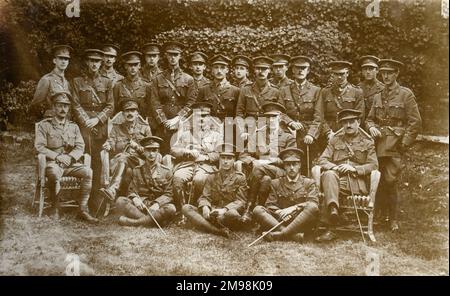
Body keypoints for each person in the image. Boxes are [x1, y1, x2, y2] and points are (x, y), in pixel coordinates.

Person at [366, 59, 422, 231]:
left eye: (390, 72)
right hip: (378, 145)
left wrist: (404, 144)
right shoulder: (378, 95)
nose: (386, 76)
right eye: (383, 73)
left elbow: (415, 122)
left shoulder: (405, 94)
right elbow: (369, 119)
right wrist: (372, 127)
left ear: (397, 73)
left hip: (395, 146)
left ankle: (393, 218)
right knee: (377, 180)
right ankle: (380, 216)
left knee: (391, 180)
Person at [34, 91, 98, 223]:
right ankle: (55, 207)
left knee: (88, 172)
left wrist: (70, 157)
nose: (63, 109)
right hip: (53, 163)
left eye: (66, 106)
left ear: (69, 108)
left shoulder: (74, 127)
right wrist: (57, 156)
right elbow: (39, 147)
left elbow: (80, 146)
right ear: (54, 107)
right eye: (60, 105)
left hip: (70, 163)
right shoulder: (44, 126)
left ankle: (83, 209)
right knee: (53, 172)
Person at [315, 109, 378, 242]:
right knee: (329, 174)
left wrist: (354, 169)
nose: (348, 125)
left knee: (329, 185)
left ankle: (330, 227)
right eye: (345, 123)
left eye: (351, 122)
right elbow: (322, 160)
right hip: (335, 178)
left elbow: (373, 165)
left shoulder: (367, 142)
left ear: (358, 122)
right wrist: (335, 167)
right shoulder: (335, 140)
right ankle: (333, 210)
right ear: (342, 125)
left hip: (355, 181)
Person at [239, 102, 296, 213]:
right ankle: (259, 210)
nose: (270, 120)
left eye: (274, 117)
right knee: (266, 180)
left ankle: (249, 207)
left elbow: (292, 160)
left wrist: (269, 161)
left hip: (281, 172)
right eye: (268, 117)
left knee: (259, 168)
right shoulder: (257, 135)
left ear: (280, 118)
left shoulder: (287, 137)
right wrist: (254, 161)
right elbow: (243, 155)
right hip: (260, 173)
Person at [253, 148, 319, 242]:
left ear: (299, 165)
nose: (291, 168)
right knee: (258, 209)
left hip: (300, 220)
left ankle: (280, 235)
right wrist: (279, 212)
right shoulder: (276, 183)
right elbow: (270, 205)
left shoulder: (309, 183)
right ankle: (292, 235)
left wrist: (294, 208)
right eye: (288, 164)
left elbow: (313, 203)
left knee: (312, 207)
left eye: (294, 164)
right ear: (284, 166)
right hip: (281, 219)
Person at [71, 49, 114, 193]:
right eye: (91, 61)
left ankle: (96, 193)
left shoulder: (107, 82)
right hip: (83, 127)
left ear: (101, 63)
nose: (94, 64)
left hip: (100, 126)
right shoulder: (77, 82)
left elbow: (110, 105)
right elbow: (75, 104)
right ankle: (80, 194)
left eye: (97, 61)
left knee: (99, 160)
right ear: (87, 62)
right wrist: (86, 121)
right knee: (83, 157)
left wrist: (97, 119)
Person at [182, 143, 248, 237]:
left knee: (233, 214)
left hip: (226, 213)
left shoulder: (240, 177)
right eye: (223, 158)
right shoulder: (212, 176)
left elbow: (241, 201)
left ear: (234, 160)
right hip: (213, 211)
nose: (225, 161)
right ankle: (217, 231)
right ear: (219, 159)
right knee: (186, 208)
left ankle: (207, 226)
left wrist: (224, 210)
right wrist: (205, 207)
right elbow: (205, 196)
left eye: (229, 158)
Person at [171, 101, 222, 213]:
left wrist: (206, 157)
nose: (201, 119)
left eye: (204, 116)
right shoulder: (185, 134)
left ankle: (197, 208)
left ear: (209, 118)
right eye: (198, 116)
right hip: (187, 165)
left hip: (206, 166)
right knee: (177, 178)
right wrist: (186, 151)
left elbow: (220, 153)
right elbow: (173, 150)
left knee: (200, 179)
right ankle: (181, 211)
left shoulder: (216, 135)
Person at [98, 98, 152, 202]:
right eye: (127, 111)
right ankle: (126, 200)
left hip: (139, 162)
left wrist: (137, 147)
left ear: (137, 113)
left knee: (123, 158)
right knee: (127, 169)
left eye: (133, 111)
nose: (130, 113)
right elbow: (111, 142)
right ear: (123, 114)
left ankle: (113, 189)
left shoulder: (145, 128)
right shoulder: (116, 128)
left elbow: (150, 151)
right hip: (120, 164)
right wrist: (108, 145)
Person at [115, 136, 176, 227]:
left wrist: (157, 204)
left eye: (154, 150)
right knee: (120, 201)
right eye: (148, 150)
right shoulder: (137, 170)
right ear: (144, 151)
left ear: (158, 152)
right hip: (141, 206)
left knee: (171, 208)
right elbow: (132, 190)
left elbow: (169, 194)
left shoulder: (166, 171)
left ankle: (134, 222)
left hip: (156, 207)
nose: (151, 154)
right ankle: (153, 222)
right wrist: (136, 199)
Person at [149, 41, 196, 154]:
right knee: (162, 152)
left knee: (181, 152)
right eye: (170, 54)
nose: (173, 58)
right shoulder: (158, 78)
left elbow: (191, 102)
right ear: (166, 55)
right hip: (163, 124)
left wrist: (178, 119)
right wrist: (164, 121)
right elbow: (154, 102)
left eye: (175, 55)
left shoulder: (188, 79)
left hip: (182, 123)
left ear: (180, 56)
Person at [279, 55, 321, 176]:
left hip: (307, 132)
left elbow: (319, 117)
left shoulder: (316, 90)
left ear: (308, 71)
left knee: (307, 164)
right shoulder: (284, 90)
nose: (300, 70)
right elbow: (280, 112)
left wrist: (311, 135)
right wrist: (290, 122)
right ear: (292, 70)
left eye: (304, 68)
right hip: (288, 130)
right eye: (297, 68)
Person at [314, 61, 365, 143]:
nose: (339, 77)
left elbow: (360, 116)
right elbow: (319, 115)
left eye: (342, 74)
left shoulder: (357, 92)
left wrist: (345, 132)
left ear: (347, 73)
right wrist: (328, 132)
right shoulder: (325, 92)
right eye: (336, 74)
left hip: (349, 133)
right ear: (332, 74)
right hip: (328, 134)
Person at [31, 45, 73, 118]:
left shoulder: (67, 83)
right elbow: (36, 104)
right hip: (50, 122)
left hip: (65, 122)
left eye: (66, 59)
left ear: (68, 62)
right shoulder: (46, 79)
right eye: (60, 58)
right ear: (54, 60)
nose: (63, 61)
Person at [195, 54, 240, 120]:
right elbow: (197, 113)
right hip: (209, 127)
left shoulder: (236, 91)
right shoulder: (203, 89)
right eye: (216, 67)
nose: (219, 71)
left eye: (222, 67)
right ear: (212, 70)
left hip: (228, 127)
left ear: (227, 70)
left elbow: (238, 114)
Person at [112, 51, 150, 116]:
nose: (133, 68)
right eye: (130, 65)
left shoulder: (146, 85)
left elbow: (149, 108)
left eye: (135, 65)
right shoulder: (118, 85)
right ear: (125, 66)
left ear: (139, 66)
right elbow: (114, 108)